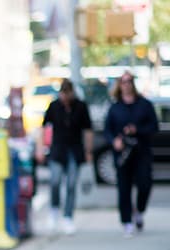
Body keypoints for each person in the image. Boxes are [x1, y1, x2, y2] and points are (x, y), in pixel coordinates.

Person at [35, 79, 93, 235]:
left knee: (71, 184)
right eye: (63, 94)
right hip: (58, 150)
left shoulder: (81, 106)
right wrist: (40, 148)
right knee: (55, 180)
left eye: (67, 94)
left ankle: (68, 216)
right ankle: (54, 210)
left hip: (75, 150)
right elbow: (43, 127)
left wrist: (88, 151)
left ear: (72, 93)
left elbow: (88, 130)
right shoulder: (54, 106)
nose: (65, 98)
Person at [104, 72, 159, 237]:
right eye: (123, 81)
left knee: (145, 184)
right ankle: (127, 221)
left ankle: (139, 210)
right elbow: (108, 130)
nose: (126, 84)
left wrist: (137, 130)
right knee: (124, 188)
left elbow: (154, 126)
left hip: (141, 151)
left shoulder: (145, 104)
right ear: (119, 85)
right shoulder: (115, 107)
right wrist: (114, 141)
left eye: (129, 81)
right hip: (123, 154)